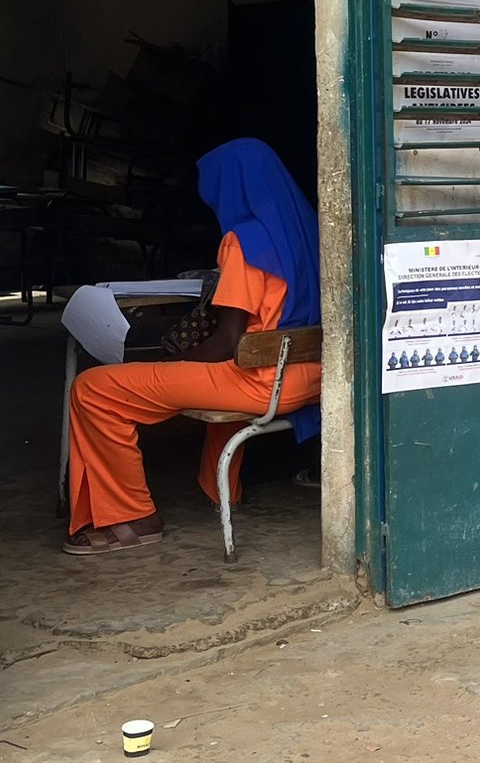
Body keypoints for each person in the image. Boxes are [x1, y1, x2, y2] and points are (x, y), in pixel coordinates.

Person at [63, 138, 323, 556]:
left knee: (94, 390)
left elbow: (227, 342)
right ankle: (222, 492)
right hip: (313, 376)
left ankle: (133, 517)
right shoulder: (311, 226)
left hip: (263, 382)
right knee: (210, 380)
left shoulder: (246, 241)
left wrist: (171, 364)